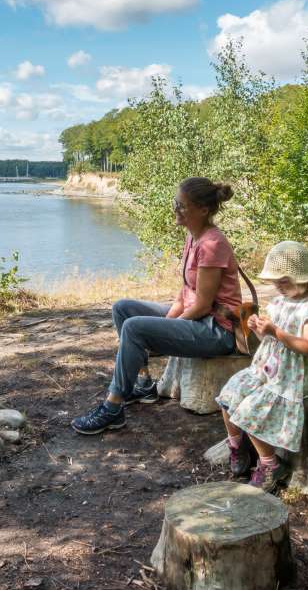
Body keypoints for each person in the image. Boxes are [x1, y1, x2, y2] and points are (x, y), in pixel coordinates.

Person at [71, 177, 242, 435]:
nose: (175, 209)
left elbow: (204, 305)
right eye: (176, 203)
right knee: (123, 308)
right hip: (197, 317)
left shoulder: (212, 244)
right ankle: (143, 384)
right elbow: (186, 293)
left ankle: (113, 408)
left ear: (203, 210)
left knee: (134, 328)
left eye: (182, 205)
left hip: (216, 330)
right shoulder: (193, 237)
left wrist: (168, 326)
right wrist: (168, 321)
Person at [215, 240, 308, 492]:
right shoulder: (279, 302)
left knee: (249, 412)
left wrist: (275, 331)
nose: (277, 286)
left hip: (289, 378)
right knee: (227, 396)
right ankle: (238, 446)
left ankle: (271, 465)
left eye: (283, 281)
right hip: (265, 369)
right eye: (275, 281)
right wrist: (258, 330)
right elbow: (268, 341)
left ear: (299, 277)